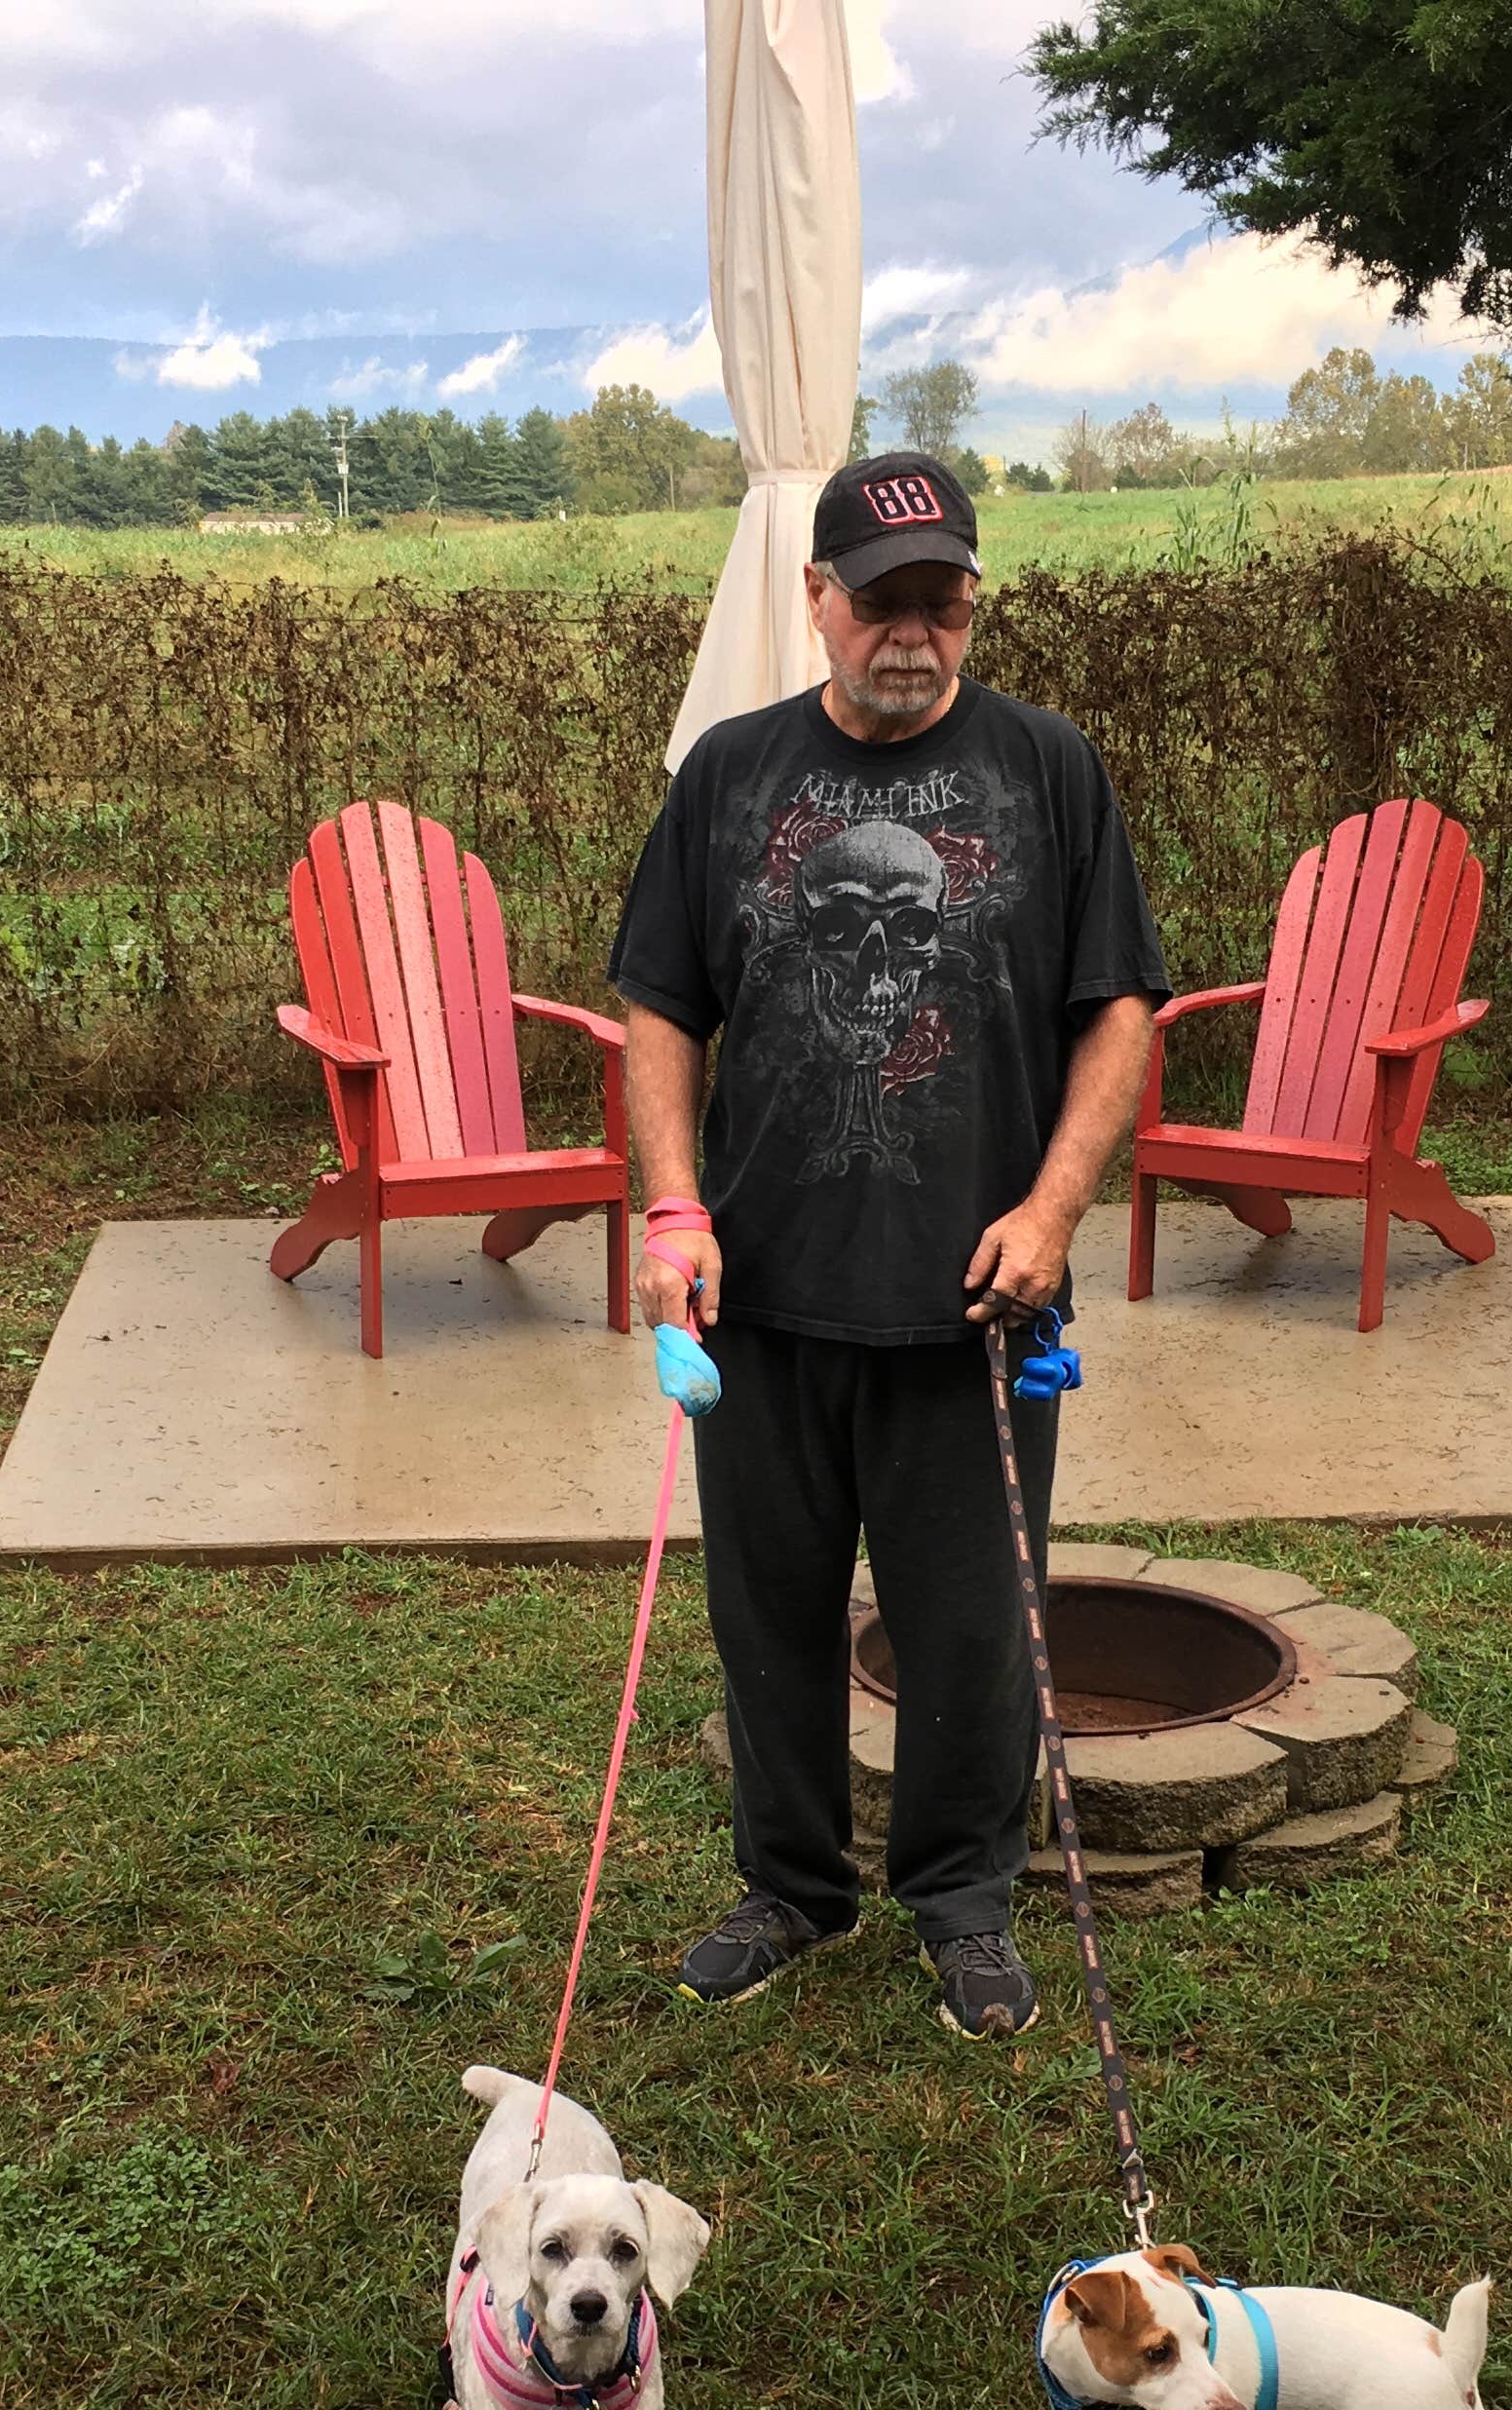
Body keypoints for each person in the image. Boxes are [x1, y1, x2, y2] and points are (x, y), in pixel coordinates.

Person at [608, 450, 1166, 2040]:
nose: (911, 635)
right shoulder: (729, 774)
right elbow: (661, 1007)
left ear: (972, 605)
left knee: (973, 1630)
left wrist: (1054, 1209)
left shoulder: (1049, 769)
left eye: (943, 603)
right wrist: (672, 1206)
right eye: (880, 603)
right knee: (767, 1616)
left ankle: (964, 1901)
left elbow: (1120, 1007)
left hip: (975, 1300)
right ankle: (790, 1887)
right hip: (762, 1295)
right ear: (817, 600)